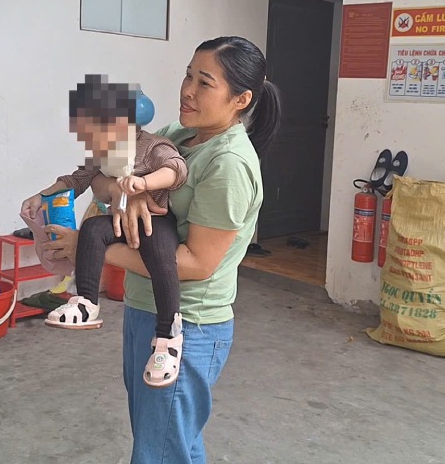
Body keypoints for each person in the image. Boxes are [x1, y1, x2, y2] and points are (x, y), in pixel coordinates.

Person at [22, 36, 280, 463]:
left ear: (241, 99)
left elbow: (197, 263)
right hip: (145, 307)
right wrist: (132, 193)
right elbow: (107, 176)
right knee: (168, 441)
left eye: (205, 82)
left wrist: (91, 247)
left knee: (160, 451)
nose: (187, 90)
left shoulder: (228, 164)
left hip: (187, 325)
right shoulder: (181, 136)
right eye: (187, 75)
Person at [20, 75, 189, 388]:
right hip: (118, 219)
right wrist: (41, 195)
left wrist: (144, 183)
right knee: (92, 229)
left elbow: (176, 170)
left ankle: (167, 333)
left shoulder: (153, 145)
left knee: (161, 258)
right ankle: (86, 301)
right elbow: (78, 179)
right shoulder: (104, 151)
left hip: (155, 218)